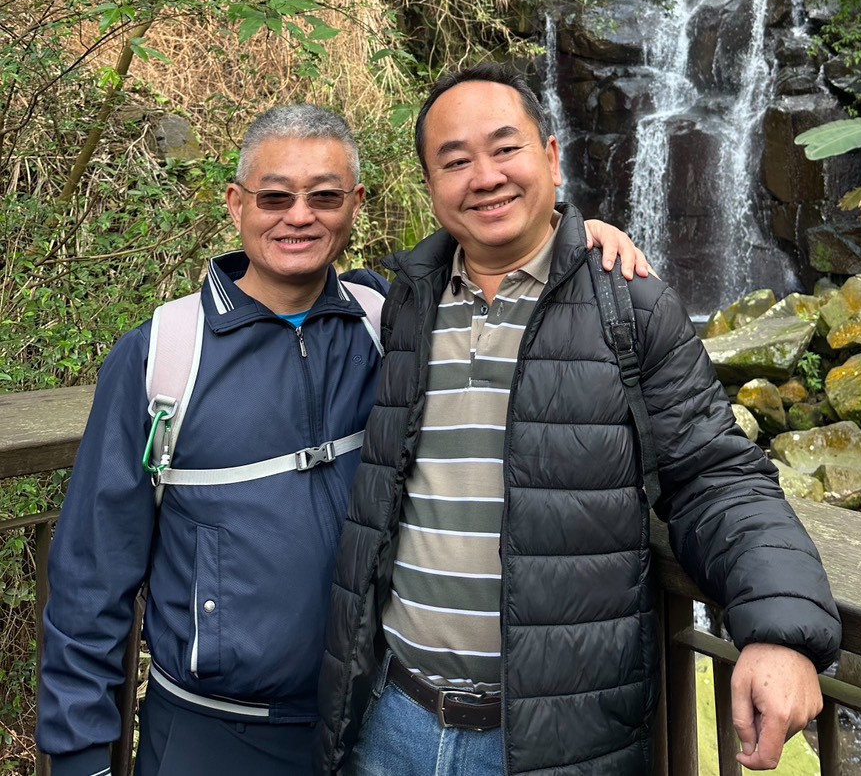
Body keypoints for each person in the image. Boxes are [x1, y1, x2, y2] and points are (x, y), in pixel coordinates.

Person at [37, 103, 645, 776]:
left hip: (369, 722)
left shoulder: (390, 323)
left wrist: (575, 244)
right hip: (209, 731)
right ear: (236, 203)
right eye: (275, 197)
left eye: (324, 197)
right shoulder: (163, 355)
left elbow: (495, 263)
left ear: (355, 204)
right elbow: (92, 574)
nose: (299, 216)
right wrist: (80, 755)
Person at [316, 63, 842, 776]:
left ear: (552, 156)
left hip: (550, 742)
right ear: (431, 186)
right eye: (455, 161)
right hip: (390, 720)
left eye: (506, 148)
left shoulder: (629, 301)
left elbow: (714, 476)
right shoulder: (401, 303)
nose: (485, 176)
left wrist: (781, 632)